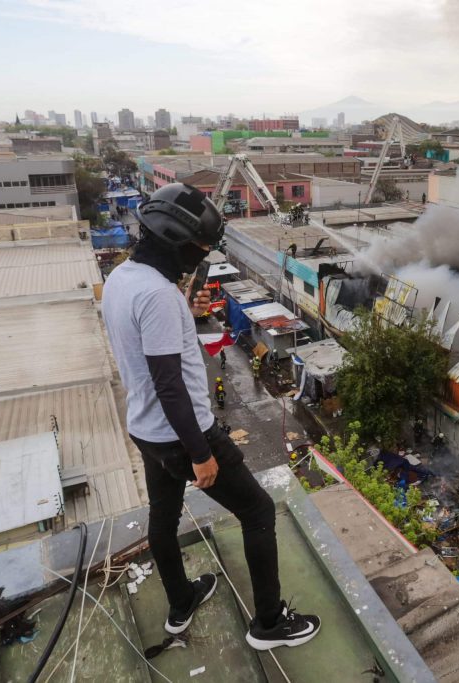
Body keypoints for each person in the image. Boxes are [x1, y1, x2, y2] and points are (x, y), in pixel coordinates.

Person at [101, 182, 321, 650]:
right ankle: (268, 623)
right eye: (200, 248)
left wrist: (186, 311)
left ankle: (180, 604)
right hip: (183, 434)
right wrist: (201, 454)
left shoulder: (124, 278)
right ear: (178, 242)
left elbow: (151, 346)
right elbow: (170, 384)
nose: (200, 259)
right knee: (257, 511)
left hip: (144, 429)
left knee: (162, 515)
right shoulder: (158, 295)